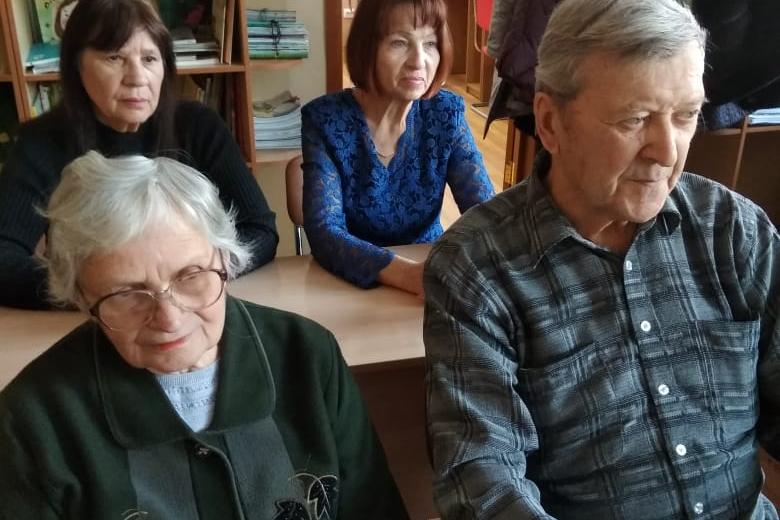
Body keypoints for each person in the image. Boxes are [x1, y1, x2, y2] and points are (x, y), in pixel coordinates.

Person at [424, 0, 780, 518]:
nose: (668, 151)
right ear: (550, 122)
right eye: (635, 119)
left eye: (686, 115)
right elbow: (483, 483)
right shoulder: (477, 269)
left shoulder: (733, 231)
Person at [0, 151, 408, 520]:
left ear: (226, 258)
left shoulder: (308, 355)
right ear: (81, 297)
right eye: (126, 294)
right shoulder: (33, 419)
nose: (169, 318)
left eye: (191, 276)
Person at [0, 0, 278, 310]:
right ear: (77, 66)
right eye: (114, 57)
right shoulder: (42, 141)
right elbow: (3, 258)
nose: (137, 77)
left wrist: (197, 277)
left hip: (192, 309)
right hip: (98, 321)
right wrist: (97, 291)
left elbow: (260, 231)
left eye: (149, 58)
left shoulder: (199, 126)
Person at [301, 0, 495, 296]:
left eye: (430, 44)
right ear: (368, 47)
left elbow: (485, 212)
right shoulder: (325, 120)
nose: (419, 61)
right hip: (350, 283)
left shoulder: (445, 114)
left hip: (429, 273)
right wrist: (410, 276)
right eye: (400, 43)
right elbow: (324, 232)